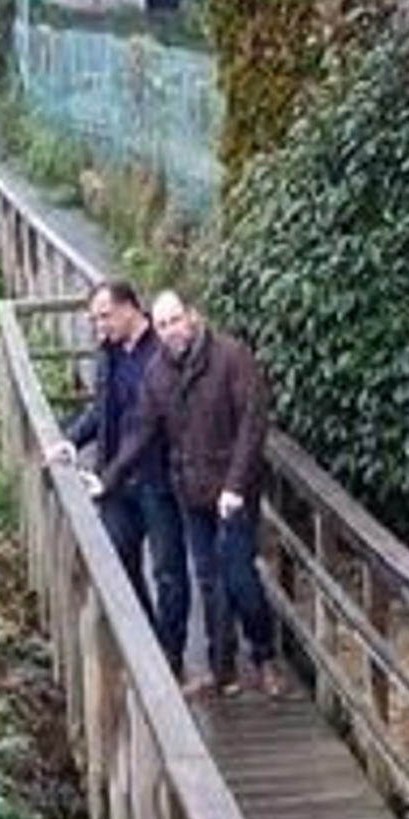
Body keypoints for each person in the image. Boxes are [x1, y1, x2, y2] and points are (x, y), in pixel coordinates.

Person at [98, 287, 282, 699]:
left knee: (240, 579)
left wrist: (235, 487)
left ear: (193, 317)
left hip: (232, 492)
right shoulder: (158, 373)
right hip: (192, 493)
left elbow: (253, 425)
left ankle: (264, 656)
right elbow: (141, 432)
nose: (169, 331)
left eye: (175, 321)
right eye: (162, 325)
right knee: (209, 581)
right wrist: (108, 478)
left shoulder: (232, 357)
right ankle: (223, 671)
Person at [48, 279, 188, 675]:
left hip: (157, 480)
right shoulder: (107, 352)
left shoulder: (161, 354)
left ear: (132, 308)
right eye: (94, 319)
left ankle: (173, 658)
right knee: (119, 561)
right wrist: (72, 442)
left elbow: (154, 426)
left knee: (169, 571)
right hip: (114, 480)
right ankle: (147, 644)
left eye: (105, 316)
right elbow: (100, 409)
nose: (100, 326)